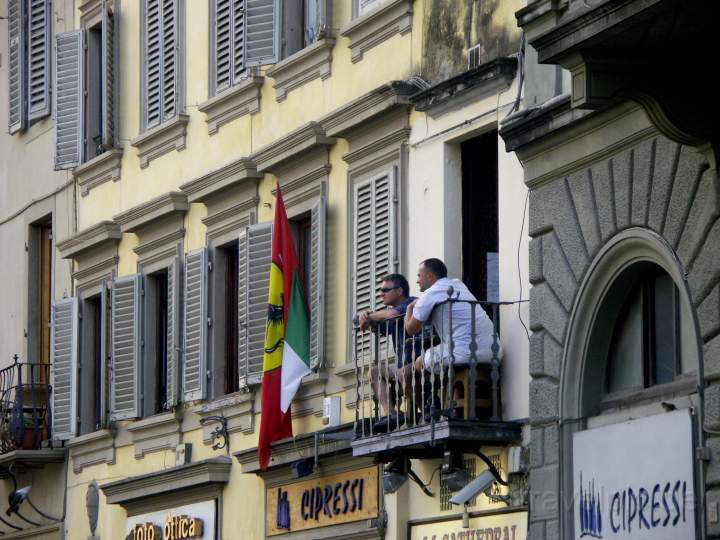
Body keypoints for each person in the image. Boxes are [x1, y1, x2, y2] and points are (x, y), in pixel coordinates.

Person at [404, 258, 501, 411]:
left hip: (466, 351)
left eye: (419, 276)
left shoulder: (430, 294)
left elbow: (411, 329)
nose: (417, 281)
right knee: (449, 362)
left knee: (418, 363)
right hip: (493, 350)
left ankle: (432, 407)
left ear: (430, 276)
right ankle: (454, 405)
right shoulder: (458, 285)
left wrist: (409, 309)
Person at [356, 274, 421, 416]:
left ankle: (423, 410)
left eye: (385, 290)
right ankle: (392, 414)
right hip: (401, 364)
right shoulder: (395, 309)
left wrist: (370, 316)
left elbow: (392, 314)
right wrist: (369, 322)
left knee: (403, 372)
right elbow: (384, 328)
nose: (381, 294)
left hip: (418, 361)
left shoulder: (413, 303)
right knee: (374, 371)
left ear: (399, 291)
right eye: (381, 290)